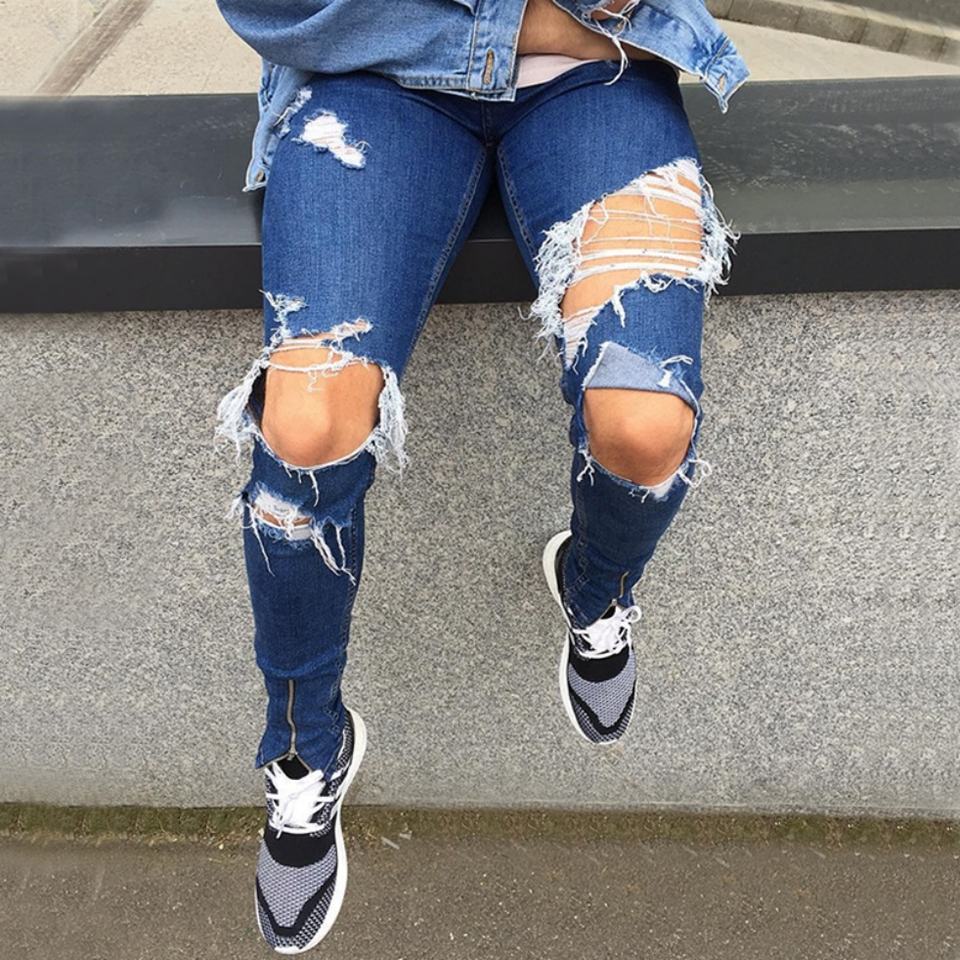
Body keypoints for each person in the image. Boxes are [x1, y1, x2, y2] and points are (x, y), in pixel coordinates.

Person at [213, 0, 749, 952]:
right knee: (303, 428)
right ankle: (304, 750)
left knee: (646, 421)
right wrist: (539, 26)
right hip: (370, 85)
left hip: (598, 83)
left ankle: (595, 588)